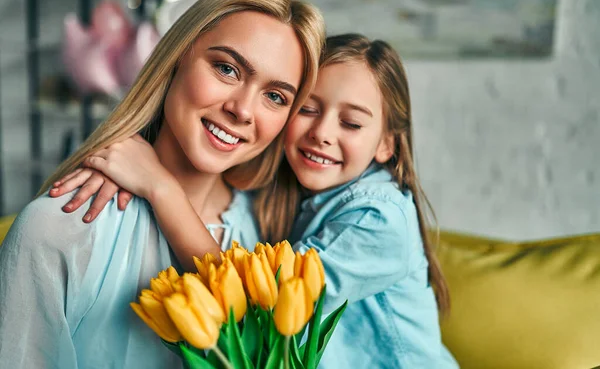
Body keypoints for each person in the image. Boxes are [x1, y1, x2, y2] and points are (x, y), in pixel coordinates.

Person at [51, 34, 458, 368]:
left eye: (350, 123)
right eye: (307, 109)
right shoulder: (284, 197)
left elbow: (259, 305)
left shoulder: (379, 219)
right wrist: (120, 164)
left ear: (387, 144)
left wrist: (160, 187)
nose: (322, 133)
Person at [0, 0, 325, 369]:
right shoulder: (60, 227)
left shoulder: (276, 240)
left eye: (275, 96)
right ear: (176, 59)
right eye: (226, 69)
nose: (243, 110)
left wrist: (162, 188)